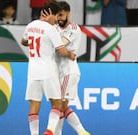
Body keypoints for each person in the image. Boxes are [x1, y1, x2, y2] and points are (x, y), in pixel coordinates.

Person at [21, 2, 75, 135]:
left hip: (33, 71)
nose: (57, 19)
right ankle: (50, 131)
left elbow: (24, 41)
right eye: (57, 16)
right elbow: (62, 51)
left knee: (34, 106)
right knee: (57, 104)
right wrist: (70, 54)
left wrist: (36, 37)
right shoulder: (51, 29)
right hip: (48, 70)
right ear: (52, 14)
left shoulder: (31, 25)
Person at [50, 2, 91, 135]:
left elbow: (59, 45)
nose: (59, 18)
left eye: (61, 15)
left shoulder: (73, 29)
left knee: (60, 106)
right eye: (57, 15)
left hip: (68, 71)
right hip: (57, 72)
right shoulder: (54, 27)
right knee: (60, 106)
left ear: (69, 13)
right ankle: (82, 131)